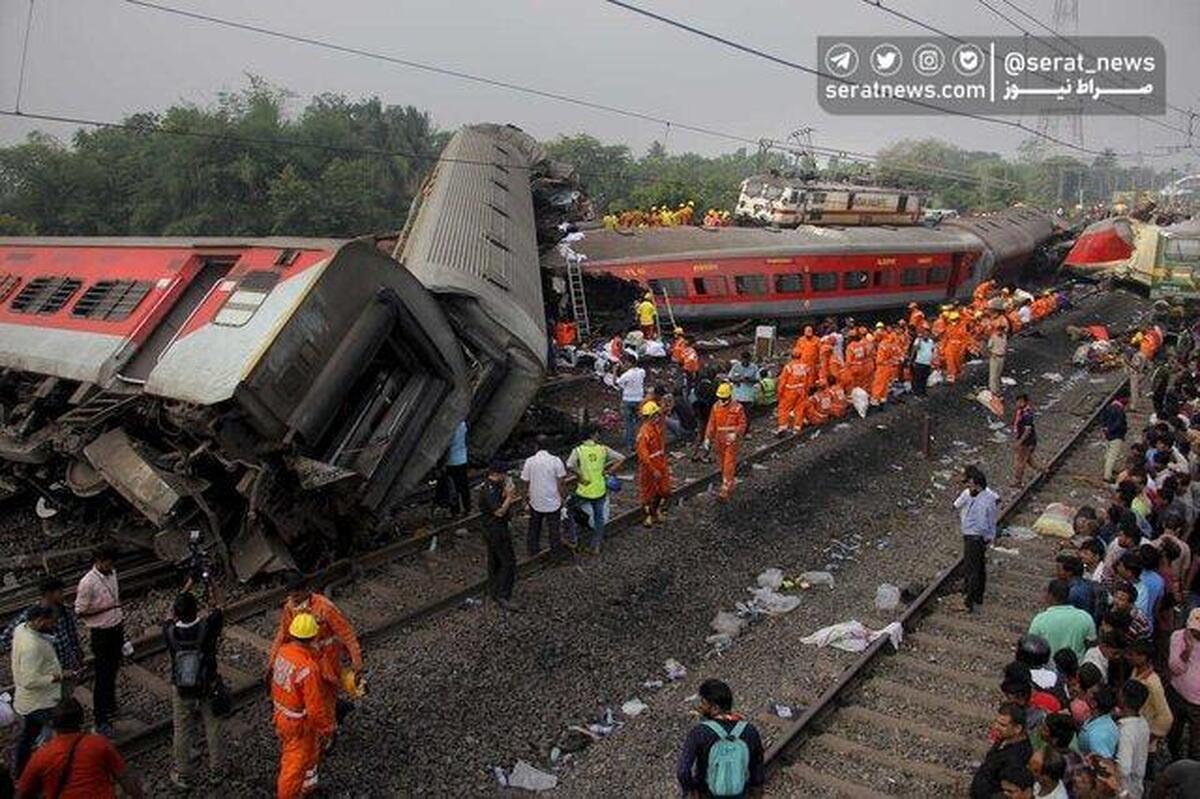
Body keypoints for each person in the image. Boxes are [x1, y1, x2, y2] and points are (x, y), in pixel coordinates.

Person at [268, 573, 363, 729]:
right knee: (311, 697)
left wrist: (357, 662)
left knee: (326, 697)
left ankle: (329, 730)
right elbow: (283, 634)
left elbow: (347, 634)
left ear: (307, 590)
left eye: (297, 593)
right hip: (305, 660)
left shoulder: (325, 608)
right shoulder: (290, 607)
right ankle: (325, 722)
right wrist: (272, 662)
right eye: (291, 594)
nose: (294, 598)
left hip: (327, 661)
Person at [16, 698, 144, 799]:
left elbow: (23, 792)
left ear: (54, 724)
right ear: (81, 720)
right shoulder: (99, 743)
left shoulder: (42, 755)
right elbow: (125, 777)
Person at [163, 591, 225, 790]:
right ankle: (216, 770)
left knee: (181, 728)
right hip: (207, 683)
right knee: (213, 725)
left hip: (182, 685)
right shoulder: (209, 625)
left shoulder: (169, 631)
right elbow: (219, 605)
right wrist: (211, 587)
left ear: (176, 613)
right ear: (197, 609)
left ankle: (183, 774)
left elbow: (167, 618)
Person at [270, 613, 335, 799]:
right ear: (313, 637)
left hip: (282, 716)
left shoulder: (283, 652)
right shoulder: (308, 669)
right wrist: (328, 727)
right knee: (293, 767)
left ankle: (306, 789)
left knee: (307, 756)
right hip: (298, 724)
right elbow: (315, 707)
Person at [675, 679, 764, 798]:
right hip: (740, 792)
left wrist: (691, 790)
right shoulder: (750, 730)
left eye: (703, 702)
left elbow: (683, 771)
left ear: (715, 708)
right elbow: (757, 768)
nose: (700, 706)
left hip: (707, 793)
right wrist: (755, 791)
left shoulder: (699, 733)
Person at [73, 544, 123, 737]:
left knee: (112, 671)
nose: (111, 565)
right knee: (103, 676)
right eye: (108, 562)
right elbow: (80, 610)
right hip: (101, 633)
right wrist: (105, 609)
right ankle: (100, 719)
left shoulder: (113, 572)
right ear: (99, 562)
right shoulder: (87, 583)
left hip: (116, 627)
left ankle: (111, 707)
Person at [12, 606, 64, 777]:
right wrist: (55, 677)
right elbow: (29, 680)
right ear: (40, 620)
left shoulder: (21, 629)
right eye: (51, 620)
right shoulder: (32, 647)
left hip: (27, 700)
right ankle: (51, 769)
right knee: (55, 734)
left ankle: (20, 770)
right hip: (40, 701)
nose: (54, 623)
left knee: (28, 735)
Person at [0, 576, 82, 679]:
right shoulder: (31, 616)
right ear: (48, 594)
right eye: (60, 592)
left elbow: (72, 635)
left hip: (67, 667)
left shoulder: (65, 611)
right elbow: (5, 640)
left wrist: (77, 652)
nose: (63, 595)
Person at [566, 428, 625, 555]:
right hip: (600, 490)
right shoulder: (603, 449)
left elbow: (569, 465)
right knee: (599, 518)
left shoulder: (578, 451)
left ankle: (573, 539)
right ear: (593, 435)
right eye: (597, 433)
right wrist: (609, 471)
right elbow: (621, 458)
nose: (598, 435)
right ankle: (596, 546)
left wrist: (580, 475)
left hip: (584, 490)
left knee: (568, 508)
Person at [955, 465, 1000, 613]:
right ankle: (977, 597)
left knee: (972, 570)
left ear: (975, 483)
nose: (968, 486)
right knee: (979, 568)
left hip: (975, 537)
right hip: (977, 537)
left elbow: (986, 521)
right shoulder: (983, 496)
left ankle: (968, 602)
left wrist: (987, 536)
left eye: (969, 483)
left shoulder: (984, 500)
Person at [477, 462, 519, 610]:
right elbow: (499, 512)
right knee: (508, 561)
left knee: (494, 560)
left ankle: (494, 591)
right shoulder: (490, 489)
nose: (506, 476)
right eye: (504, 474)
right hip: (496, 529)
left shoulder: (490, 486)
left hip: (490, 529)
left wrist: (506, 493)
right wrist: (510, 497)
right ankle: (504, 595)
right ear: (497, 473)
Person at [971, 702, 1034, 799]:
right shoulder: (1007, 737)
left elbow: (1008, 790)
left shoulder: (1016, 758)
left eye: (1002, 725)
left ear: (1017, 728)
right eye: (996, 722)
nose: (996, 727)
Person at [520, 436, 567, 558]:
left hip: (535, 500)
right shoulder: (556, 461)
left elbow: (525, 482)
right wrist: (562, 497)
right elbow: (561, 482)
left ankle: (533, 551)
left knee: (534, 527)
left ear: (536, 446)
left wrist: (525, 499)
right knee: (554, 530)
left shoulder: (530, 461)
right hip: (553, 501)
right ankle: (556, 555)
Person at [1027, 579, 1097, 661]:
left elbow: (1031, 647)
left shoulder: (1040, 620)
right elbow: (1092, 645)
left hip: (1049, 668)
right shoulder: (1085, 617)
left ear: (1050, 595)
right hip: (1075, 669)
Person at [704, 382, 747, 502]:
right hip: (719, 439)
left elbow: (743, 424)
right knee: (722, 464)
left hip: (731, 440)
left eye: (724, 398)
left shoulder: (737, 408)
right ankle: (729, 482)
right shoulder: (716, 407)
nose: (722, 400)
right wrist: (707, 438)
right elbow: (711, 424)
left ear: (729, 396)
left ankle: (725, 490)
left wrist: (736, 434)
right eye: (720, 398)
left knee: (728, 463)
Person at [1167, 608, 1200, 759]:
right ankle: (1175, 758)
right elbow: (1175, 668)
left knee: (1196, 740)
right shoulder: (1178, 637)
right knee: (1174, 731)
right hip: (1177, 693)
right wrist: (1187, 651)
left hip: (1197, 701)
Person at [1127, 639, 1174, 742]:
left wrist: (1152, 734)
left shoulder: (1153, 683)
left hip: (1146, 732)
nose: (1128, 657)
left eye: (1132, 655)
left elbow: (1166, 716)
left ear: (1143, 657)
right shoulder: (1135, 671)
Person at [635, 401, 671, 527]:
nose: (657, 417)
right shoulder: (644, 433)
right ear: (649, 417)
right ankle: (648, 516)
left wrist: (663, 408)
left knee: (664, 490)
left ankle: (656, 511)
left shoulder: (656, 426)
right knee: (647, 492)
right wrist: (652, 469)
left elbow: (662, 417)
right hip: (649, 466)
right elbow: (643, 455)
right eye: (654, 415)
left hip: (660, 462)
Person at [1117, 679, 1152, 799]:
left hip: (1125, 791)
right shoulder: (1143, 723)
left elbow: (1124, 768)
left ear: (1123, 698)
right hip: (1137, 786)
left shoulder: (1126, 731)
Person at [616, 355, 646, 453]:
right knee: (639, 423)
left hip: (628, 400)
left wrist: (614, 371)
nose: (624, 365)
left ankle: (631, 446)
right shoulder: (642, 371)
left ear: (629, 363)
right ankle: (641, 442)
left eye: (625, 363)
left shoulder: (626, 375)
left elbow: (617, 383)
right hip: (639, 400)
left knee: (629, 424)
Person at [440, 420, 470, 517]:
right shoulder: (463, 424)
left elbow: (447, 445)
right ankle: (467, 508)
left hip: (451, 462)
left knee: (453, 487)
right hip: (463, 459)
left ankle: (455, 510)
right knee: (464, 486)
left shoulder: (449, 428)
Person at [1013, 394, 1042, 489]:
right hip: (1026, 440)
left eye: (1020, 401)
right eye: (1018, 401)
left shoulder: (1027, 414)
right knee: (1029, 461)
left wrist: (1019, 442)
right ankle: (1045, 470)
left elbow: (1027, 430)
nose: (1018, 403)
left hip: (1026, 442)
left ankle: (1018, 482)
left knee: (1020, 462)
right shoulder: (1021, 411)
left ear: (1026, 402)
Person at [1102, 396, 1129, 484]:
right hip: (1116, 435)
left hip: (1108, 435)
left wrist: (1106, 429)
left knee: (1108, 454)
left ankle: (1108, 471)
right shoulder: (1120, 410)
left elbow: (1103, 420)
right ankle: (1107, 476)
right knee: (1112, 456)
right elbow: (1119, 423)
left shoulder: (1109, 407)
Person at [909, 327, 935, 397]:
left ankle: (923, 392)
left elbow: (932, 350)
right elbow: (915, 349)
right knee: (918, 379)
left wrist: (933, 360)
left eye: (927, 334)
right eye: (925, 334)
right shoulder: (918, 340)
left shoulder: (931, 341)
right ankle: (917, 393)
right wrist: (911, 360)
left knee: (925, 379)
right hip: (919, 363)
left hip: (927, 363)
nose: (926, 335)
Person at [988, 320, 1009, 396]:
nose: (1000, 332)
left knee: (998, 374)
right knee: (993, 374)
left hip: (1002, 357)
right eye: (999, 330)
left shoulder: (1004, 337)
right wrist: (992, 354)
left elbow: (1005, 346)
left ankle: (998, 389)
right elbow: (989, 347)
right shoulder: (993, 337)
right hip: (995, 357)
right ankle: (993, 391)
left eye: (1002, 330)